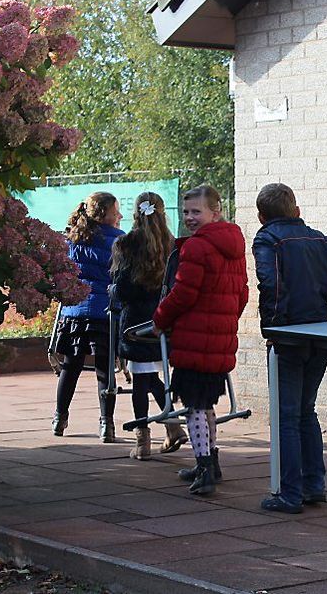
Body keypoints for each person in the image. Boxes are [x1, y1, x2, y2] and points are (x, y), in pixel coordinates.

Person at [252, 183, 327, 514]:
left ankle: (290, 493)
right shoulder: (320, 240)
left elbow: (272, 283)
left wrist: (273, 327)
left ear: (260, 216)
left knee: (286, 414)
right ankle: (314, 485)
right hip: (319, 333)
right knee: (305, 409)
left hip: (289, 335)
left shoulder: (267, 239)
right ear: (297, 211)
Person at [152, 185, 248, 496]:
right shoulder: (233, 244)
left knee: (193, 405)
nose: (190, 218)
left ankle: (204, 465)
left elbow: (183, 293)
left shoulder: (196, 248)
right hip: (219, 336)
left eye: (196, 211)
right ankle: (212, 461)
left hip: (194, 337)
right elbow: (242, 292)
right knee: (206, 404)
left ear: (214, 211)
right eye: (186, 212)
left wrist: (160, 319)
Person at [111, 191, 189, 460]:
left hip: (136, 323)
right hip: (164, 321)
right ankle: (172, 426)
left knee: (141, 381)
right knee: (152, 377)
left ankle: (143, 439)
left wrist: (113, 291)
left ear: (135, 212)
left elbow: (123, 290)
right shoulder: (173, 244)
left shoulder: (126, 244)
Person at [52, 191, 125, 442]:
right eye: (117, 212)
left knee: (70, 367)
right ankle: (107, 425)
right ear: (106, 214)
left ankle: (59, 418)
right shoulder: (119, 241)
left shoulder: (72, 238)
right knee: (105, 371)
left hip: (74, 311)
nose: (121, 215)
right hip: (105, 314)